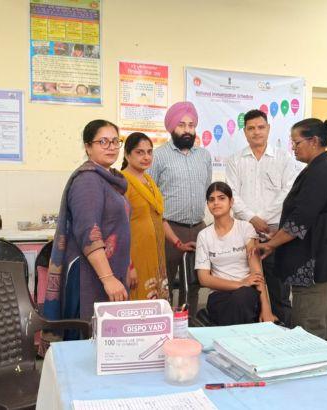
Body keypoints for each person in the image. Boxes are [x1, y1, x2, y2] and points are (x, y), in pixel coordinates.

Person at [256, 118, 327, 343]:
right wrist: (276, 236)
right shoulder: (317, 169)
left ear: (313, 141)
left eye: (296, 143)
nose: (293, 148)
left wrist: (270, 244)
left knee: (309, 329)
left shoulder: (320, 172)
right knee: (323, 326)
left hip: (313, 264)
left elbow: (299, 222)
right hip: (317, 258)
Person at [44, 120, 131, 329]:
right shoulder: (88, 180)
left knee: (106, 333)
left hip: (104, 269)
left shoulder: (109, 179)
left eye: (115, 141)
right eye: (103, 142)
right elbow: (88, 233)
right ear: (88, 147)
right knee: (87, 333)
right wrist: (108, 278)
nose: (111, 147)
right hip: (89, 273)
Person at [225, 109, 300, 326]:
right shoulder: (235, 160)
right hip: (244, 232)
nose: (256, 132)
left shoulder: (284, 158)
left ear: (268, 129)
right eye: (251, 128)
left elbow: (288, 192)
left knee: (279, 291)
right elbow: (232, 194)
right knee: (248, 290)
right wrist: (252, 219)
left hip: (275, 233)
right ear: (244, 132)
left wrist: (262, 220)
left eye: (260, 127)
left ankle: (283, 334)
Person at [149, 101, 212, 317]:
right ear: (171, 127)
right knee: (163, 284)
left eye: (191, 125)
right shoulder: (158, 156)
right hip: (168, 230)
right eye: (181, 125)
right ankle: (164, 325)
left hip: (198, 229)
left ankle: (189, 325)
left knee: (192, 284)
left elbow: (207, 190)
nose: (187, 130)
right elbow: (150, 197)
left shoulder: (204, 156)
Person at [195, 182, 278, 326]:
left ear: (231, 202)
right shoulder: (204, 235)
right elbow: (204, 279)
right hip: (219, 294)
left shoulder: (245, 228)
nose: (216, 203)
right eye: (211, 199)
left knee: (242, 298)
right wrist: (239, 283)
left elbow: (257, 273)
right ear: (207, 205)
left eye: (221, 198)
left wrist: (267, 310)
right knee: (236, 303)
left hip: (247, 293)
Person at [121, 132, 169, 301]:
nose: (146, 157)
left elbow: (158, 217)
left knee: (157, 304)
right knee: (140, 304)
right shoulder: (122, 183)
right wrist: (129, 266)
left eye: (149, 152)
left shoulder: (149, 180)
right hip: (136, 257)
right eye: (139, 152)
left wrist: (178, 242)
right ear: (127, 154)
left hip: (156, 255)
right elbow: (119, 228)